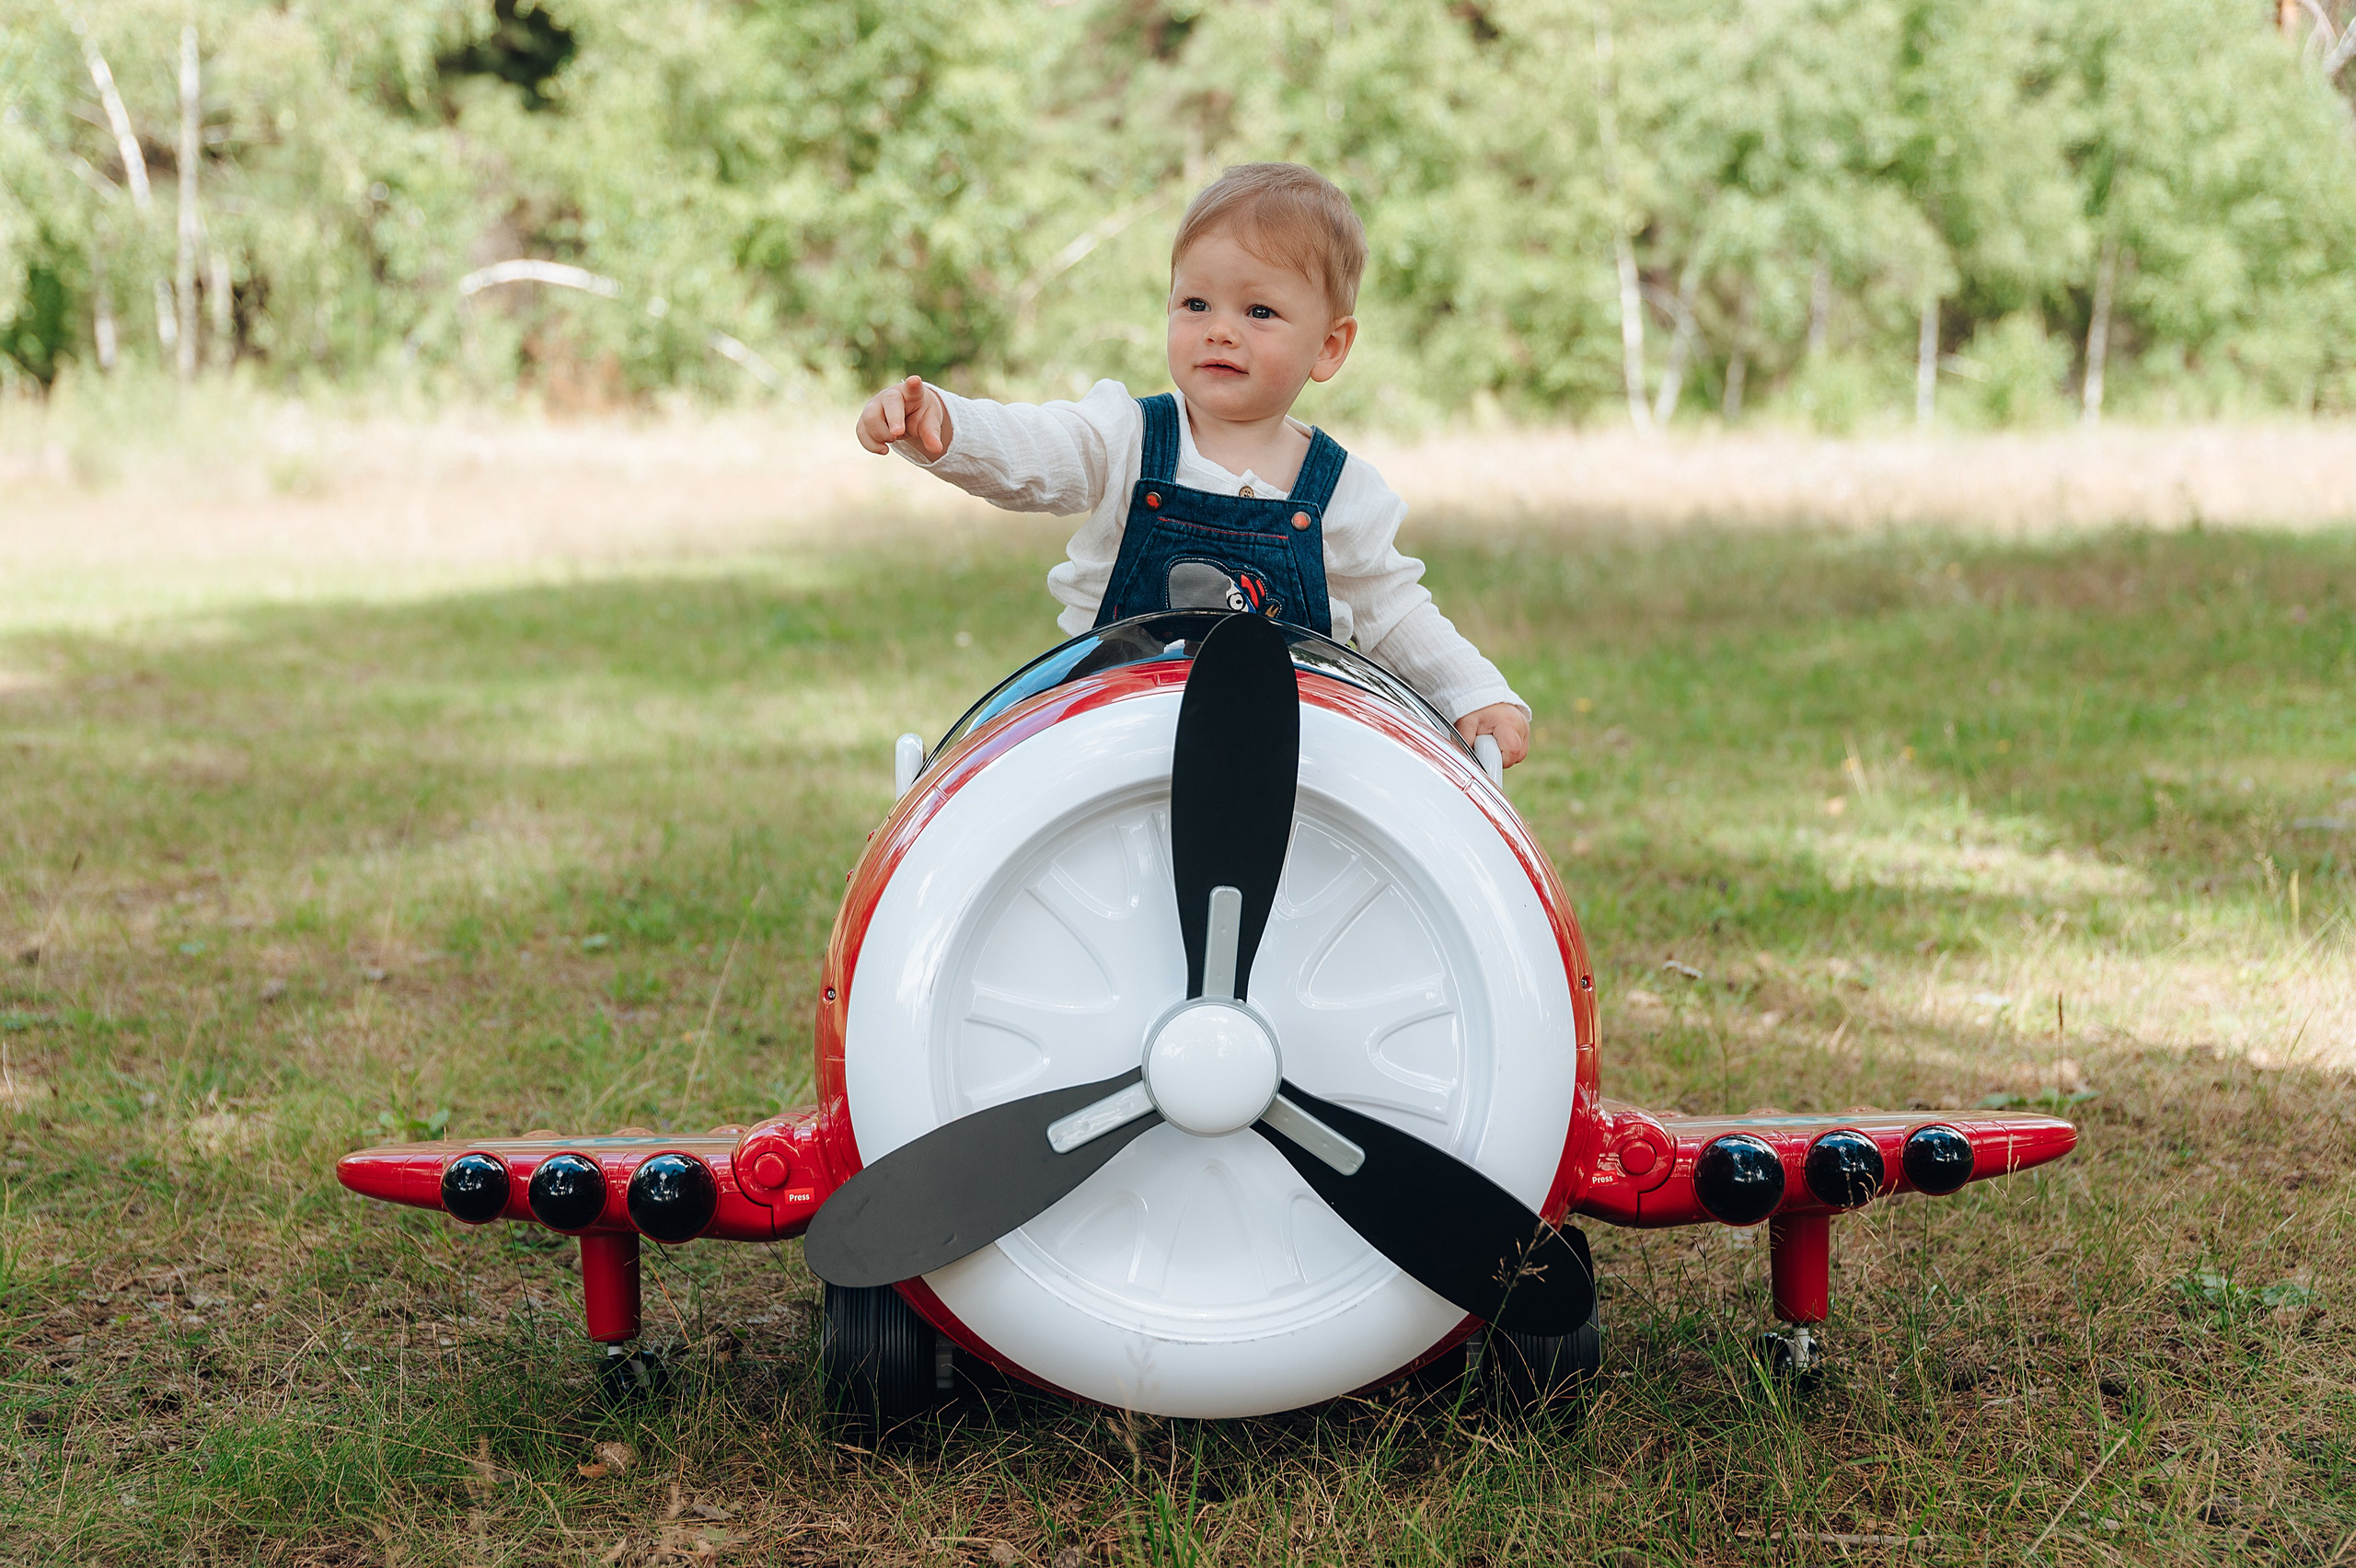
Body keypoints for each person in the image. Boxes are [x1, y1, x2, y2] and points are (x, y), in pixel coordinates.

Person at [855, 161, 1530, 767]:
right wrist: (949, 425)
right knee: (997, 781)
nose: (1220, 329)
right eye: (1195, 303)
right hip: (1106, 739)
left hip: (1284, 761)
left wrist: (1472, 691)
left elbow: (1392, 612)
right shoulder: (1127, 434)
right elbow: (1038, 450)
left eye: (1259, 310)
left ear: (1329, 346)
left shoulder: (1341, 491)